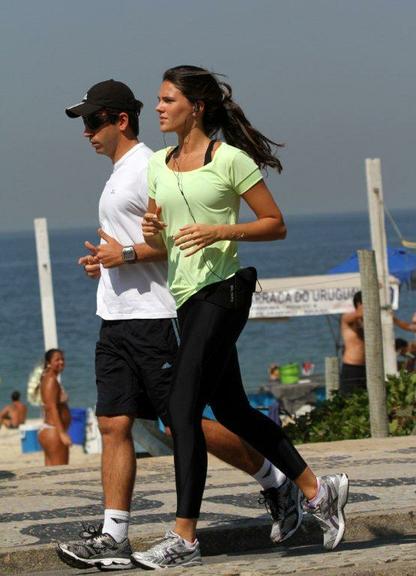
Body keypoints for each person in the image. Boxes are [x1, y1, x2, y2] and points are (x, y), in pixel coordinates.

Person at [57, 79, 303, 571]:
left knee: (180, 423)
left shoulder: (148, 168)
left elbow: (177, 240)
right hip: (116, 316)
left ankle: (277, 482)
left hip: (156, 315)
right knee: (113, 423)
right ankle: (114, 534)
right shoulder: (120, 173)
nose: (85, 133)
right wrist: (106, 262)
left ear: (120, 120)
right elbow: (139, 241)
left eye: (92, 121)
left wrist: (124, 253)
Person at [131, 65, 349, 570]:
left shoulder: (230, 160)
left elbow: (275, 225)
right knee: (231, 410)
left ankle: (184, 537)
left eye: (167, 100)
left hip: (225, 292)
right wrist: (144, 237)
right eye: (158, 100)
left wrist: (219, 231)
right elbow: (162, 242)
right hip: (187, 298)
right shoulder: (158, 166)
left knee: (179, 405)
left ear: (196, 107)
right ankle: (318, 491)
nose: (159, 108)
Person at [38, 349, 72, 466]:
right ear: (49, 362)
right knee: (60, 474)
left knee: (51, 476)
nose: (61, 362)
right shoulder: (51, 380)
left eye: (62, 359)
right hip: (54, 432)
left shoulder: (49, 377)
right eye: (57, 359)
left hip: (51, 430)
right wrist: (62, 434)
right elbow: (51, 407)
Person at [340, 291, 366, 395]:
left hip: (366, 367)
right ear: (359, 304)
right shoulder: (347, 318)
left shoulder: (366, 321)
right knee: (349, 399)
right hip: (352, 367)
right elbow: (360, 313)